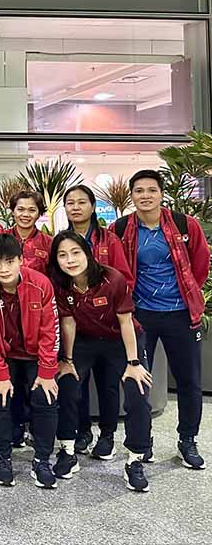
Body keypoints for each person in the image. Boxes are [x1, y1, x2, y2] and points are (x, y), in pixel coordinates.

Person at [111, 169, 210, 470]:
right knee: (138, 381)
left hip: (181, 315)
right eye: (139, 190)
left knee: (189, 381)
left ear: (161, 194)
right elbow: (114, 270)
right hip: (140, 317)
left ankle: (187, 440)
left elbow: (200, 265)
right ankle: (142, 444)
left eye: (151, 190)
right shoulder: (121, 228)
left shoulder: (184, 225)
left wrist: (188, 294)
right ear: (132, 196)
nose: (145, 196)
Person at [49, 231, 154, 492]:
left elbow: (126, 321)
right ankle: (68, 450)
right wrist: (68, 360)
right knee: (67, 383)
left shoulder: (112, 278)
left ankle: (135, 459)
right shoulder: (61, 283)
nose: (70, 260)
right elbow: (69, 322)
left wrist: (133, 363)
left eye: (75, 252)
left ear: (88, 253)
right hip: (85, 340)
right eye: (62, 255)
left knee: (137, 390)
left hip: (121, 340)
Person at [0, 234, 59, 489]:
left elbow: (49, 330)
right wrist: (0, 374)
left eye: (10, 261)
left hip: (36, 354)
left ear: (21, 260)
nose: (3, 269)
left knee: (45, 398)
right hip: (4, 355)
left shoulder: (41, 284)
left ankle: (42, 460)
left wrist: (46, 371)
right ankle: (2, 458)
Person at [62, 184, 134, 455]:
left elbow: (125, 279)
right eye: (71, 202)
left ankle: (107, 435)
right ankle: (81, 432)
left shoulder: (109, 240)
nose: (76, 207)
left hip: (110, 328)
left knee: (108, 385)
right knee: (74, 382)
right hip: (77, 328)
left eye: (82, 202)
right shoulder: (62, 241)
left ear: (93, 206)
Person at [7, 190, 51, 274]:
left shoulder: (48, 243)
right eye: (20, 209)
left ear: (39, 214)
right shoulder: (1, 239)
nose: (26, 214)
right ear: (13, 212)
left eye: (32, 210)